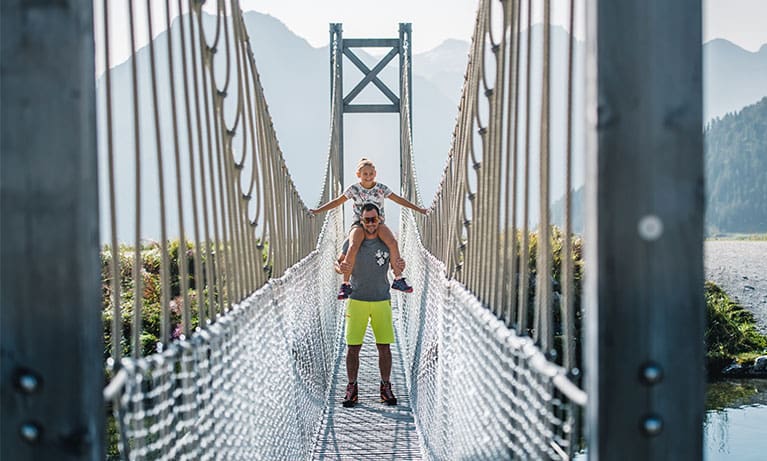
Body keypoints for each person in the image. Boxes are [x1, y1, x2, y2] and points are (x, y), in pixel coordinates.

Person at [310, 157, 427, 300]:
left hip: (378, 223)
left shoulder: (381, 189)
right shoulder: (354, 189)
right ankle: (345, 284)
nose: (368, 177)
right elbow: (337, 202)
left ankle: (398, 279)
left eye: (371, 174)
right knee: (353, 246)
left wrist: (419, 209)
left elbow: (399, 200)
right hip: (359, 224)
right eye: (365, 174)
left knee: (393, 242)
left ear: (375, 173)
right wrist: (317, 211)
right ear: (358, 175)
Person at [334, 203, 403, 407]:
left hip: (381, 299)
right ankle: (352, 388)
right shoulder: (353, 240)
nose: (371, 224)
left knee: (384, 347)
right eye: (367, 220)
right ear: (361, 221)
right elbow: (339, 262)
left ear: (380, 218)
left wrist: (400, 265)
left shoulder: (386, 241)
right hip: (357, 301)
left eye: (374, 219)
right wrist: (340, 268)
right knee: (353, 347)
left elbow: (395, 264)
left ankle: (385, 387)